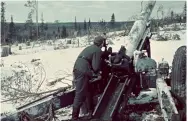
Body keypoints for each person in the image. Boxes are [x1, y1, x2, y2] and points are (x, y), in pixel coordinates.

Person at [71, 36, 105, 120]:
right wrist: (98, 73)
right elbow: (96, 67)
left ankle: (90, 112)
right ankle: (74, 118)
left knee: (88, 91)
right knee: (80, 94)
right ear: (102, 43)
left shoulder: (91, 48)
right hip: (83, 70)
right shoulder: (97, 50)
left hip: (79, 68)